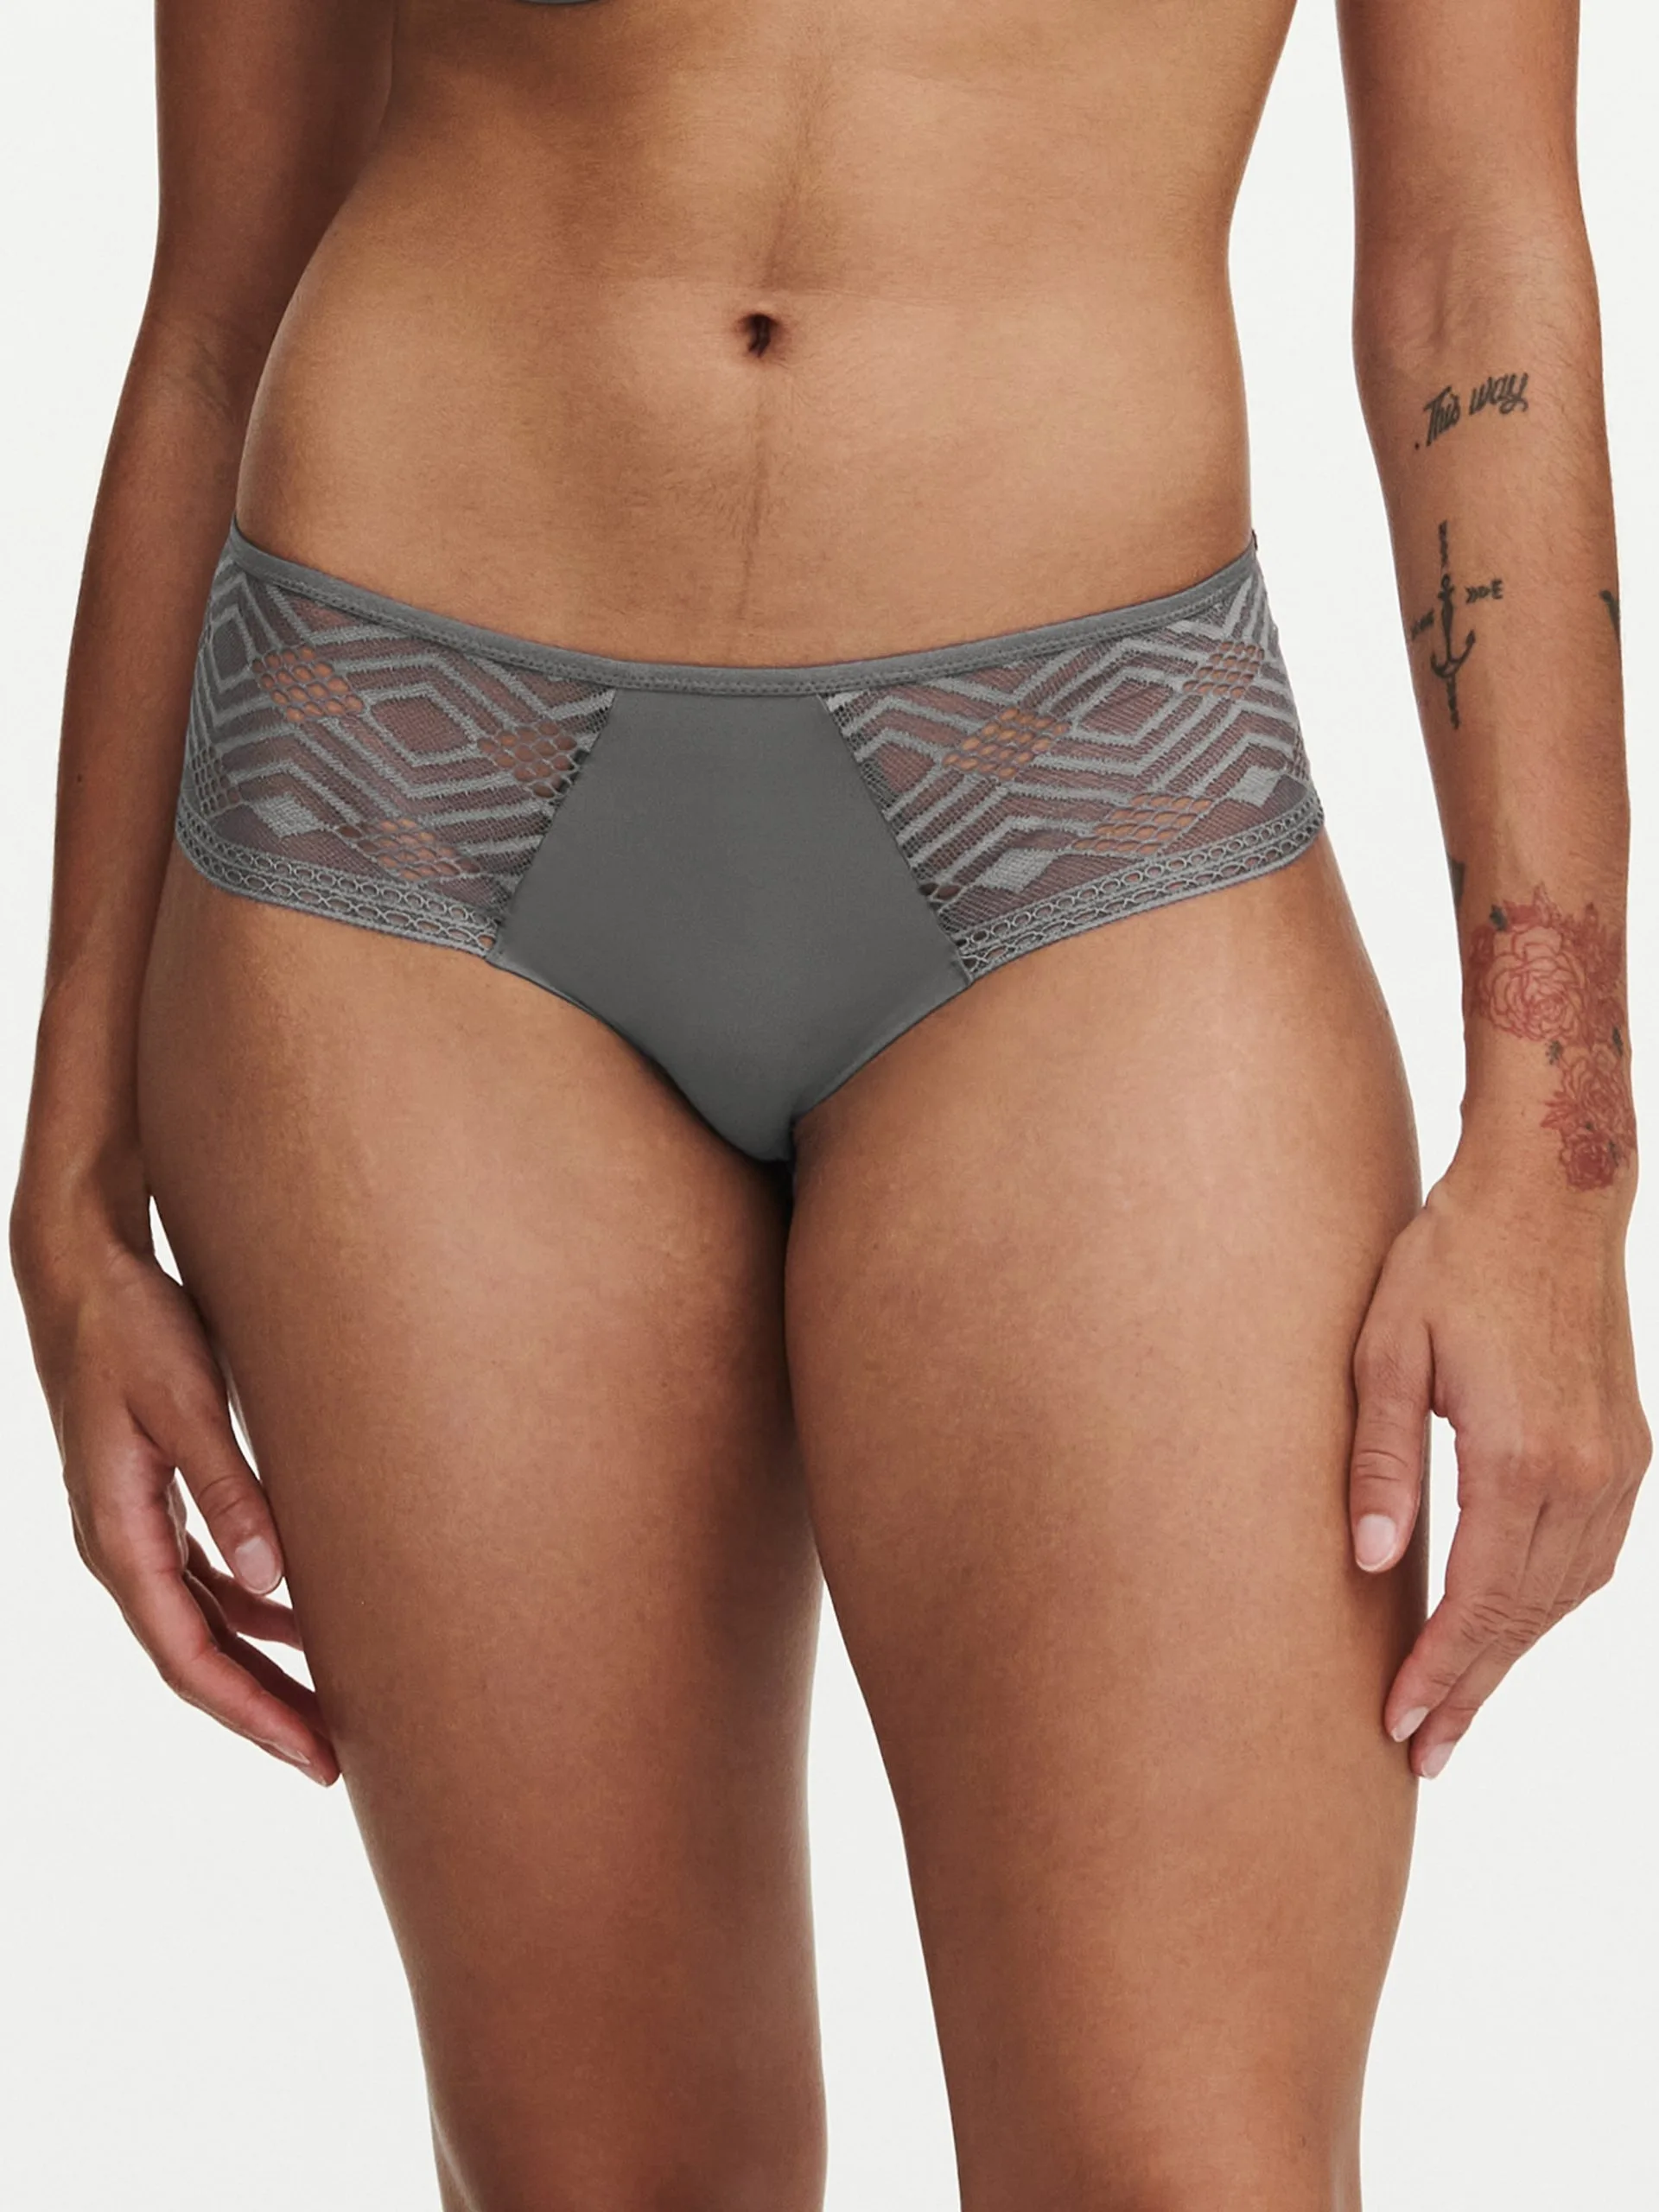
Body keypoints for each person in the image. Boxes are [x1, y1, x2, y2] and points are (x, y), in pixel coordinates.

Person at [10, 1, 1648, 2204]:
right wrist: (72, 1170)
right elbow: (216, 298)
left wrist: (1560, 1157)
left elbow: (1476, 266)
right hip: (402, 815)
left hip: (1094, 810)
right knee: (605, 2178)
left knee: (1190, 2165)